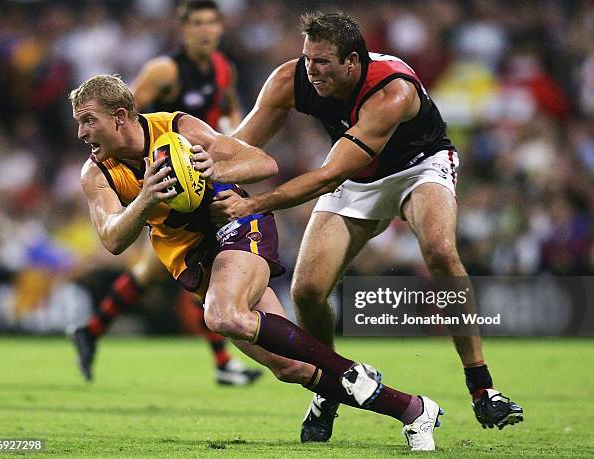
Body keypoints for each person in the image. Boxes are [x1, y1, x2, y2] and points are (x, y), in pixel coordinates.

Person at [70, 73, 443, 451]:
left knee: (222, 316)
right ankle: (413, 409)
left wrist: (216, 170)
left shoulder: (178, 129)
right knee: (289, 367)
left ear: (119, 116)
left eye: (89, 120)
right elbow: (113, 239)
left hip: (237, 226)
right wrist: (145, 199)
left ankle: (348, 371)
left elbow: (263, 163)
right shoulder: (96, 172)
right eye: (79, 123)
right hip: (194, 259)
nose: (82, 133)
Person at [210, 12, 523, 441]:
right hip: (357, 177)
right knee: (307, 290)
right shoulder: (290, 80)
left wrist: (254, 204)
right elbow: (238, 149)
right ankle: (331, 388)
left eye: (322, 62)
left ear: (353, 63)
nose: (311, 71)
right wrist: (193, 173)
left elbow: (326, 176)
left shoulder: (392, 90)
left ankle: (482, 386)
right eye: (306, 59)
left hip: (419, 168)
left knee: (439, 250)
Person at [70, 0, 261, 386]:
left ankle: (91, 330)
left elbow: (230, 115)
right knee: (185, 265)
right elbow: (122, 113)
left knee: (156, 272)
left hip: (197, 175)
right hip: (159, 177)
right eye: (197, 24)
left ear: (220, 28)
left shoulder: (224, 69)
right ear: (184, 30)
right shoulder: (164, 71)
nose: (206, 31)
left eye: (212, 23)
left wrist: (227, 152)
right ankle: (223, 360)